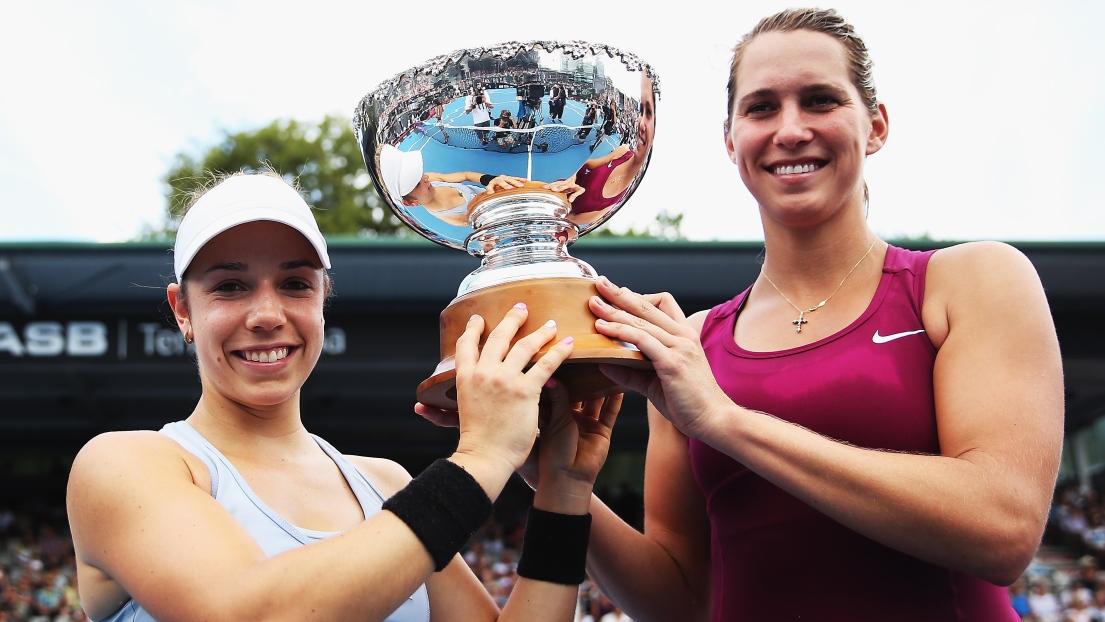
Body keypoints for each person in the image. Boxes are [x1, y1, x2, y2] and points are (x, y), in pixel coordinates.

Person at [577, 8, 1063, 621]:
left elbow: (1003, 528)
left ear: (876, 125)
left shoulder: (971, 281)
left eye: (820, 100)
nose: (790, 129)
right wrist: (554, 479)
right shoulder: (691, 344)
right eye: (760, 108)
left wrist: (728, 422)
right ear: (730, 140)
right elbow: (681, 603)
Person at [65, 171, 621, 622]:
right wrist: (481, 458)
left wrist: (563, 493)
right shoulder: (122, 465)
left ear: (323, 300)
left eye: (295, 283)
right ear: (183, 309)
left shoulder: (387, 484)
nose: (266, 315)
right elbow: (248, 614)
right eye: (230, 286)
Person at [564, 73, 656, 224]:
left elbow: (571, 222)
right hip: (555, 184)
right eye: (640, 111)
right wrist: (572, 177)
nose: (640, 123)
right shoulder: (623, 152)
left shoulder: (621, 198)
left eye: (649, 113)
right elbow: (589, 164)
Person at [379, 145, 526, 227]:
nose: (425, 178)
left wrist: (494, 180)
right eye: (417, 183)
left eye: (420, 174)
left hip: (495, 191)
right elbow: (491, 219)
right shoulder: (454, 218)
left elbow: (466, 175)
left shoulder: (433, 178)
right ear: (411, 203)